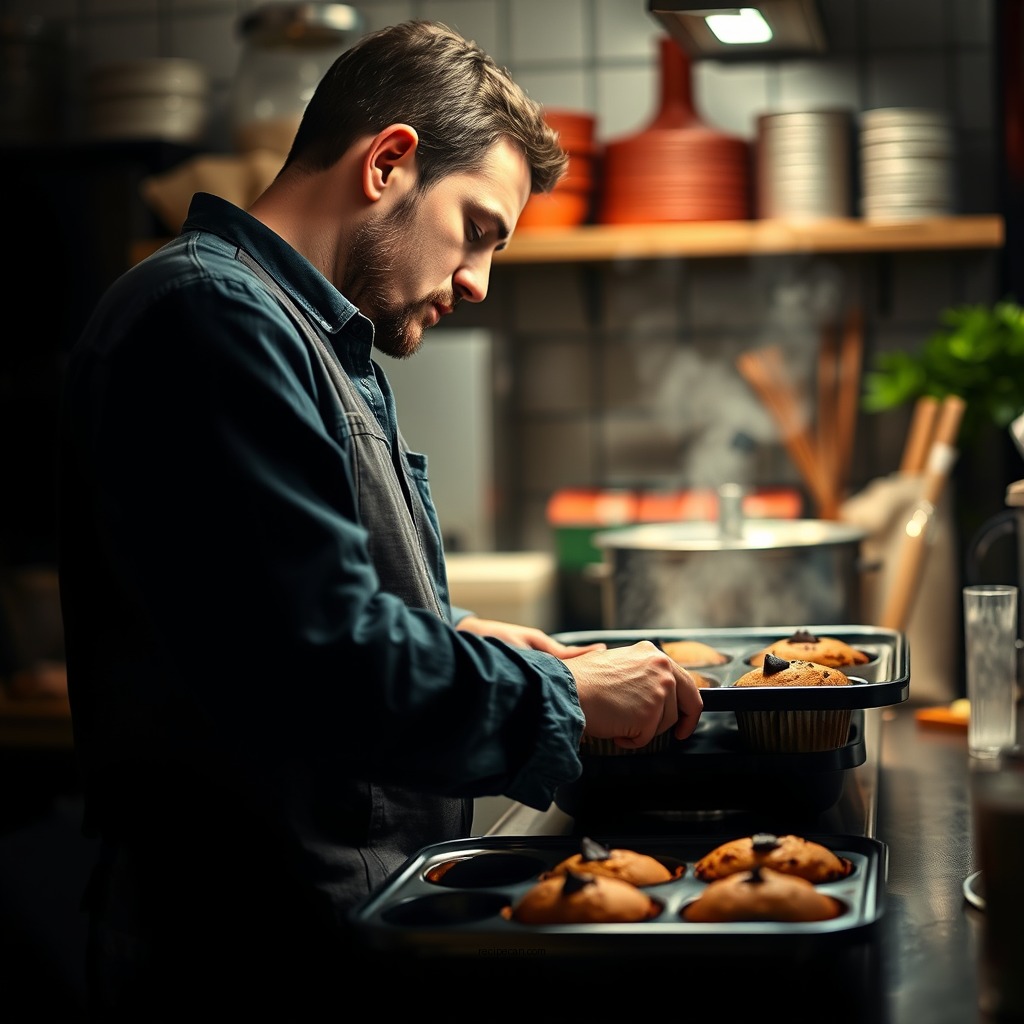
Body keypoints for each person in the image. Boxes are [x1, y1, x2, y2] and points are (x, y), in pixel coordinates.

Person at [56, 19, 703, 1020]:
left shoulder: (307, 333)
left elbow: (266, 619)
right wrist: (562, 692)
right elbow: (326, 662)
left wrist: (448, 635)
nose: (480, 280)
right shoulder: (207, 318)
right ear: (389, 162)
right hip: (243, 955)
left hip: (331, 929)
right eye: (479, 228)